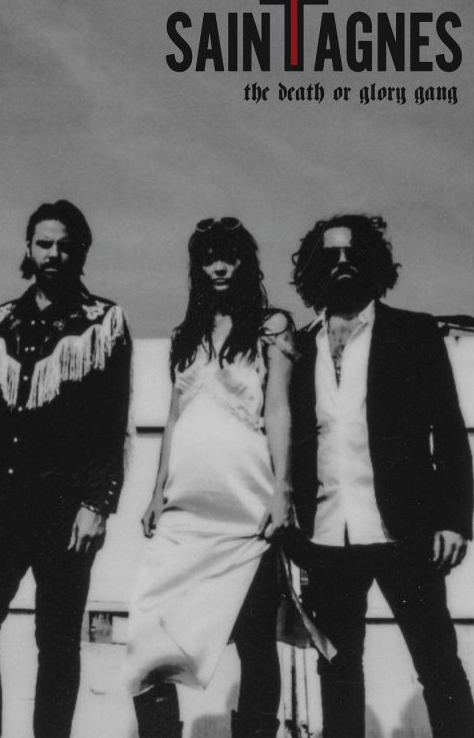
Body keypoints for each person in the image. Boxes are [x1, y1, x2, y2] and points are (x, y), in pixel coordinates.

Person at [0, 200, 132, 738]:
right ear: (28, 248)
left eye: (65, 245)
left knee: (57, 643)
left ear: (81, 251)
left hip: (66, 511)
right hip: (0, 506)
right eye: (44, 243)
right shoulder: (1, 320)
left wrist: (98, 503)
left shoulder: (104, 321)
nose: (54, 254)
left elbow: (112, 423)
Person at [287, 214, 474, 738]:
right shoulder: (299, 346)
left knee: (438, 665)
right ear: (314, 268)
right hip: (327, 536)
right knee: (338, 671)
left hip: (407, 532)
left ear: (373, 262)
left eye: (353, 254)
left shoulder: (413, 332)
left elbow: (449, 430)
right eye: (331, 256)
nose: (343, 264)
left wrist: (454, 520)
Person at [124, 218, 296, 738]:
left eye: (229, 256)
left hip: (248, 509)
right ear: (197, 266)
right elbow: (174, 416)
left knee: (255, 643)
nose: (219, 267)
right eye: (208, 258)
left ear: (246, 263)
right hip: (184, 514)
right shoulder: (186, 335)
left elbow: (279, 409)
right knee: (149, 638)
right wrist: (156, 493)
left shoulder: (271, 326)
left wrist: (282, 491)